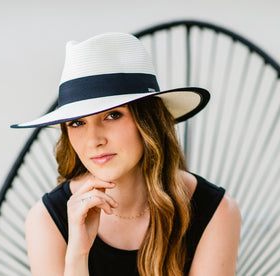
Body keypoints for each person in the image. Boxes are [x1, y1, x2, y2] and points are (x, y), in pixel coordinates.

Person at [12, 32, 241, 276]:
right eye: (77, 123)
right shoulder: (46, 220)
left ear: (148, 122)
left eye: (112, 115)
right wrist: (78, 254)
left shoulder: (215, 212)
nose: (94, 140)